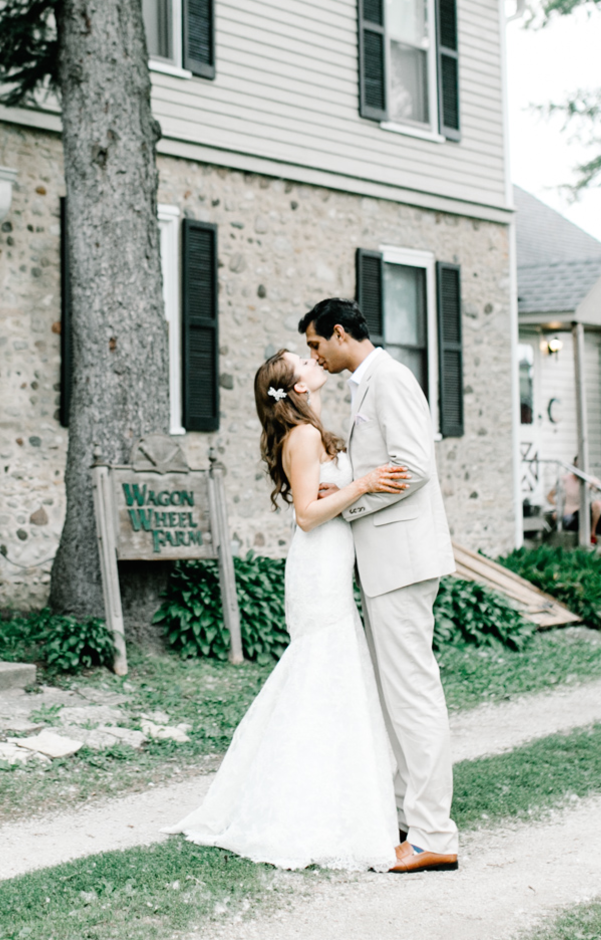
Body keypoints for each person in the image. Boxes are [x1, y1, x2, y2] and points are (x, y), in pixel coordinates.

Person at [169, 349, 411, 870]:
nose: (311, 358)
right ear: (296, 386)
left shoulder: (312, 429)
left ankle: (338, 798)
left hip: (331, 561)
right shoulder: (302, 437)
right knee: (322, 673)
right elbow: (306, 516)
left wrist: (347, 488)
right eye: (300, 359)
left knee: (332, 678)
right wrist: (361, 484)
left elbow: (323, 499)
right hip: (318, 566)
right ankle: (305, 808)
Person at [304, 297, 461, 874]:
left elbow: (414, 466)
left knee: (413, 695)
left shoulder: (391, 379)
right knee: (398, 696)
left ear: (340, 333)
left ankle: (434, 834)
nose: (313, 358)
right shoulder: (365, 384)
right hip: (387, 562)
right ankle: (405, 817)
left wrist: (347, 506)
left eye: (317, 345)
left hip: (402, 561)